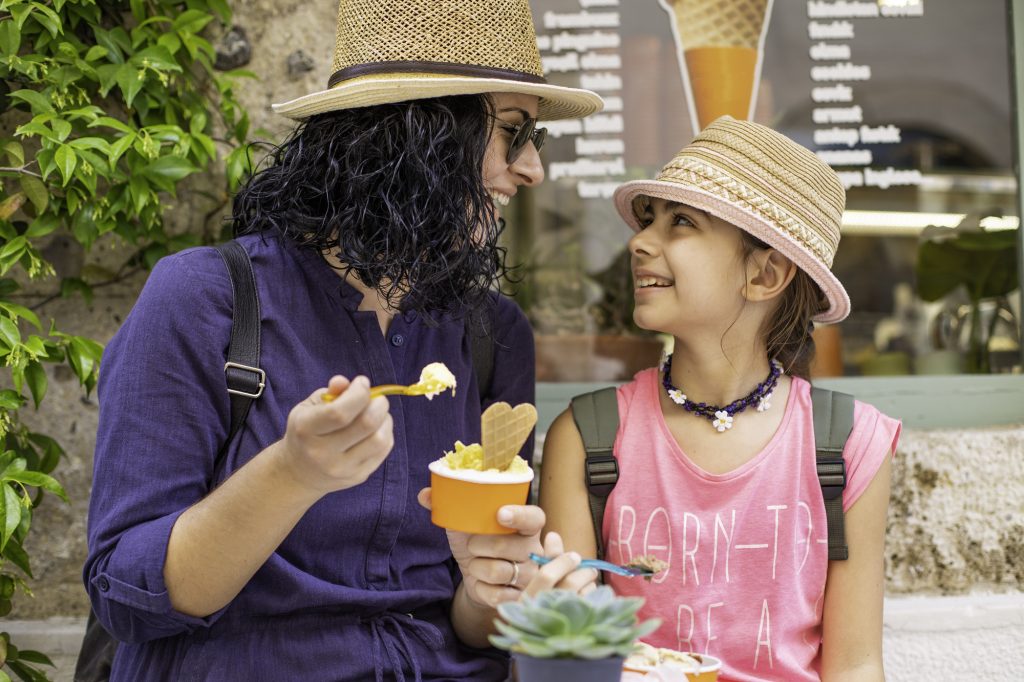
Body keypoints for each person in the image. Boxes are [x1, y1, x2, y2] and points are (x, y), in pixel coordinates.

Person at [82, 1, 603, 680]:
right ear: (417, 135)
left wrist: (491, 591)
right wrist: (290, 474)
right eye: (513, 130)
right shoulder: (202, 302)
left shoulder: (491, 334)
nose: (532, 168)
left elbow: (474, 627)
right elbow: (129, 598)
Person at [539, 116, 901, 681]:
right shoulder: (588, 437)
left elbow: (855, 665)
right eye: (648, 220)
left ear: (766, 274)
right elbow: (569, 659)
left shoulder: (848, 444)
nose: (639, 242)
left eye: (681, 222)